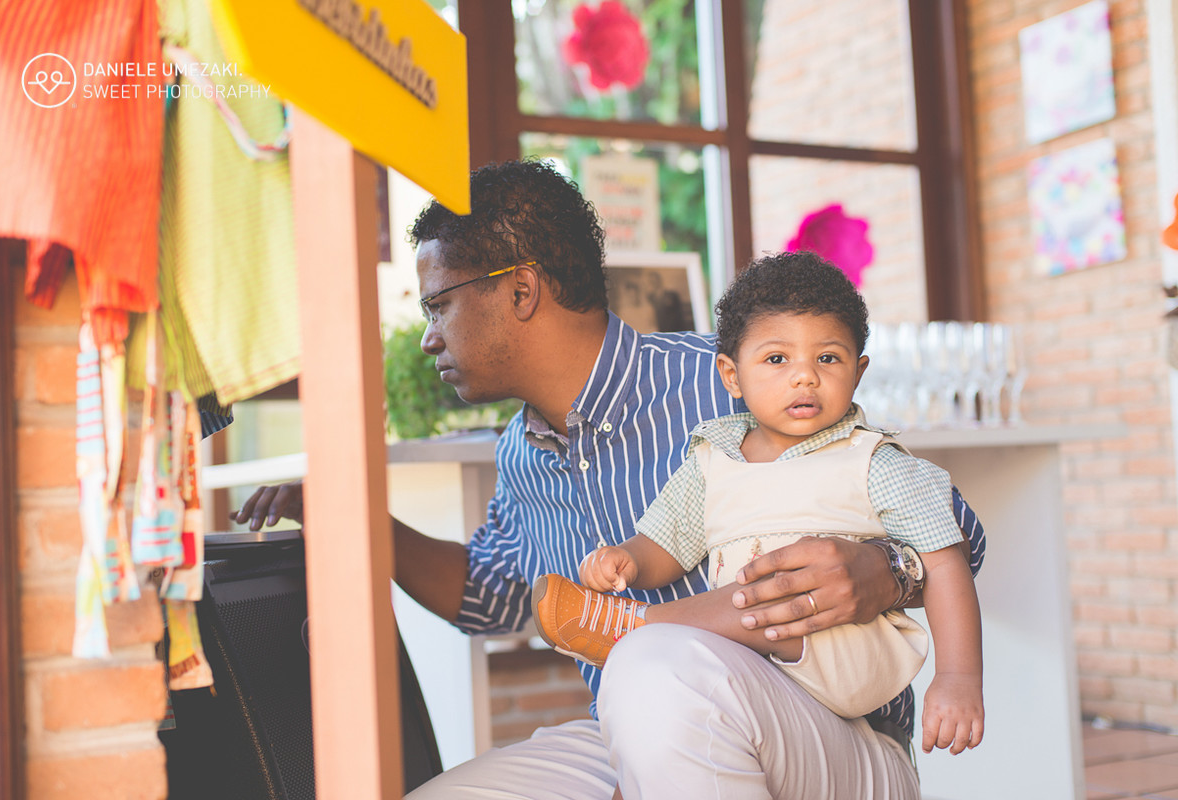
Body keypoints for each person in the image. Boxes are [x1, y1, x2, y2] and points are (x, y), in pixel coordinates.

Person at [234, 159, 986, 799]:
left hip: (837, 736)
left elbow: (960, 533)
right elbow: (491, 598)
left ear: (520, 291)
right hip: (641, 734)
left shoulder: (723, 382)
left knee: (652, 663)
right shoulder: (521, 454)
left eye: (440, 304)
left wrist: (884, 572)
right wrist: (353, 519)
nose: (429, 335)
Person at [532, 251, 984, 758]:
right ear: (731, 375)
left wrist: (958, 677)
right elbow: (669, 542)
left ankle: (629, 627)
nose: (805, 377)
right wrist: (630, 559)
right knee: (686, 685)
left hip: (842, 654)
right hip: (750, 668)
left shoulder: (873, 460)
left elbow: (948, 563)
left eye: (828, 358)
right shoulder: (713, 457)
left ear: (858, 372)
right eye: (776, 359)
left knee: (760, 594)